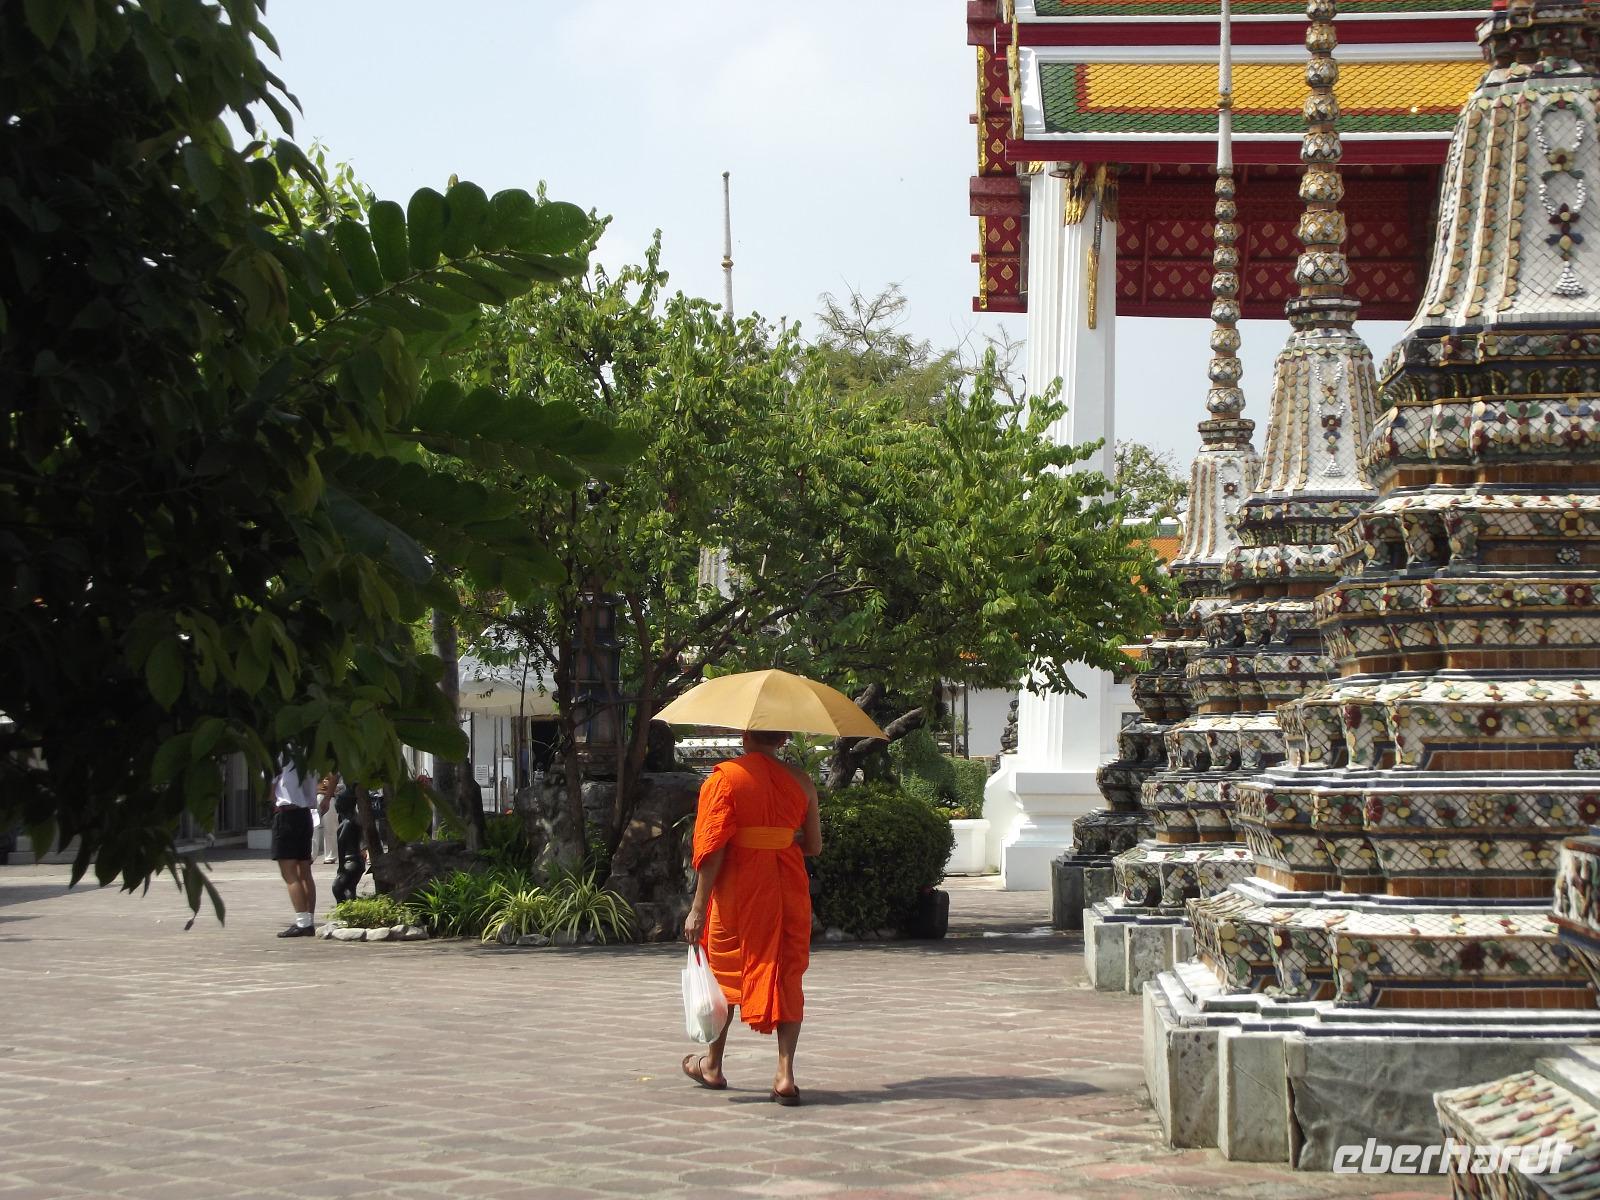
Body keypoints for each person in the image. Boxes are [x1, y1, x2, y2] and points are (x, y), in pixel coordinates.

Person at [681, 729, 822, 1105]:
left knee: (726, 973)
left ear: (745, 736)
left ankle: (712, 1064)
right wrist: (779, 838)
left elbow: (712, 851)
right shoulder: (803, 781)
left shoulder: (724, 778)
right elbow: (814, 845)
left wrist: (697, 908)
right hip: (787, 889)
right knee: (787, 974)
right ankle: (785, 1075)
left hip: (738, 892)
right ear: (784, 738)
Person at [270, 759, 319, 937]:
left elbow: (270, 786)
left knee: (289, 872)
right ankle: (309, 920)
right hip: (305, 814)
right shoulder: (308, 753)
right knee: (304, 869)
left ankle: (302, 922)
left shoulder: (279, 754)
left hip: (286, 814)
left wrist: (271, 799)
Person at [329, 778, 366, 904]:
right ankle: (351, 910)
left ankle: (345, 910)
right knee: (350, 889)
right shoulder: (355, 821)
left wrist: (340, 867)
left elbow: (341, 843)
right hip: (357, 862)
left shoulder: (347, 823)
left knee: (337, 888)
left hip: (350, 861)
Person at [312, 773, 337, 864]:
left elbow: (335, 778)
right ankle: (311, 855)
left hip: (328, 796)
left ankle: (330, 856)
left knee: (330, 827)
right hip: (313, 796)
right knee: (313, 827)